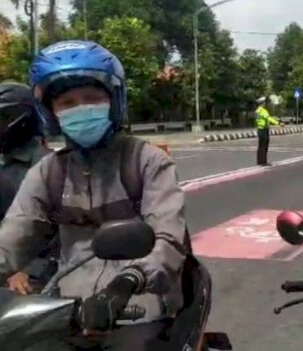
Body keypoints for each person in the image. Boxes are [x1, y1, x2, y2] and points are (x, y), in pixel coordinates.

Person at [0, 40, 188, 350]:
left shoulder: (146, 161)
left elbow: (168, 239)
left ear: (113, 101)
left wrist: (129, 282)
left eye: (91, 98)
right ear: (51, 113)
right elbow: (13, 238)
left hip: (140, 305)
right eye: (68, 103)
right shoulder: (48, 172)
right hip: (68, 309)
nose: (80, 109)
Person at [0, 81, 53, 294]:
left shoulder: (49, 167)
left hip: (37, 278)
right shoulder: (4, 162)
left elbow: (61, 235)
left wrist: (26, 269)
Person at [255, 96, 279, 166]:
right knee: (264, 146)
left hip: (259, 129)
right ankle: (263, 162)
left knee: (260, 146)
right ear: (263, 103)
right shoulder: (263, 111)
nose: (265, 104)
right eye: (264, 103)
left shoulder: (257, 111)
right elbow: (268, 118)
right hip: (264, 129)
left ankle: (259, 161)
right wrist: (278, 123)